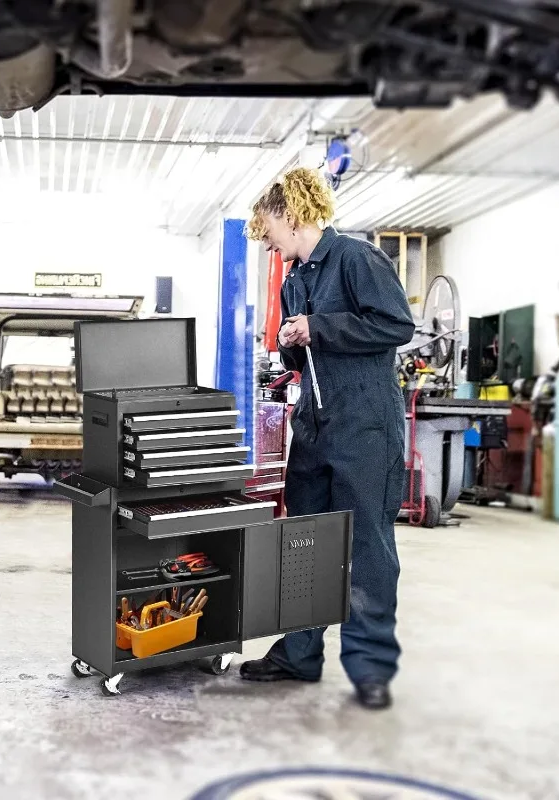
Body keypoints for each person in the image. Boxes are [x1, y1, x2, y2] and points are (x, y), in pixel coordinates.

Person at [240, 167, 415, 710]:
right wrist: (289, 344)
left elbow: (396, 326)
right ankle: (299, 653)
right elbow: (306, 353)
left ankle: (370, 670)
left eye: (270, 230)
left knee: (366, 550)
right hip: (313, 429)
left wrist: (317, 328)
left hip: (365, 429)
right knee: (305, 544)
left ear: (291, 217)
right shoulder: (296, 278)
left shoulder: (358, 259)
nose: (269, 243)